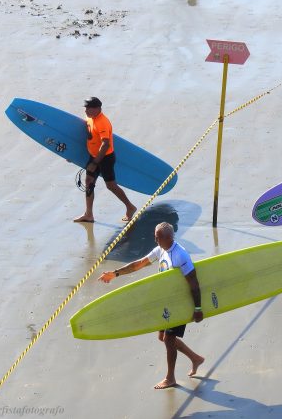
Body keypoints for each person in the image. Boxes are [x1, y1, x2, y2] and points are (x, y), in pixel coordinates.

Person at [98, 222, 205, 389]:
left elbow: (194, 283)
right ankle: (195, 358)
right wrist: (116, 273)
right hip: (165, 300)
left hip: (179, 301)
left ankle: (170, 378)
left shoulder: (180, 255)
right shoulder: (160, 250)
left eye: (158, 236)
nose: (155, 239)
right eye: (155, 235)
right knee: (162, 337)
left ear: (169, 237)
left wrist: (198, 308)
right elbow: (139, 264)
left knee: (169, 338)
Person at [73, 96, 137, 223]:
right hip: (93, 156)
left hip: (105, 158)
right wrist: (71, 154)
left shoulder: (102, 122)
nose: (85, 111)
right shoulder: (90, 118)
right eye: (85, 108)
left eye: (88, 108)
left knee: (111, 185)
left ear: (97, 109)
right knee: (89, 181)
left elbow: (105, 144)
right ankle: (88, 214)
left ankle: (130, 207)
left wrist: (95, 162)